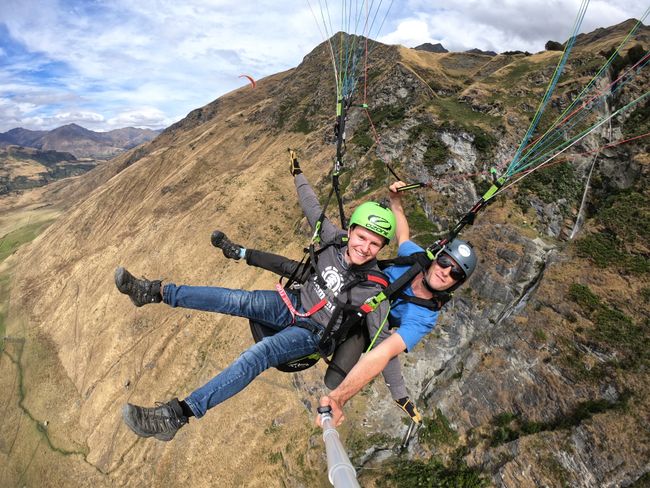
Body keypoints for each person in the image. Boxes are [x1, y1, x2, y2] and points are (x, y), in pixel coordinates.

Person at [115, 163, 399, 442]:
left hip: (313, 334)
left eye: (375, 244)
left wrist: (400, 395)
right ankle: (154, 292)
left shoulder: (374, 288)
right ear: (351, 231)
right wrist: (297, 173)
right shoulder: (333, 240)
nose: (365, 248)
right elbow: (312, 205)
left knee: (260, 354)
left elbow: (384, 346)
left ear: (382, 247)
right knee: (237, 299)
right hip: (294, 302)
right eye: (362, 237)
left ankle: (176, 415)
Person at [315, 180, 478, 426]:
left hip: (370, 325)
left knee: (333, 380)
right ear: (435, 260)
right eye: (445, 263)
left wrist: (338, 398)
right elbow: (402, 234)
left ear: (456, 283)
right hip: (353, 285)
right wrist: (395, 201)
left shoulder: (424, 316)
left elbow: (383, 352)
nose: (446, 272)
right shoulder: (415, 260)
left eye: (455, 273)